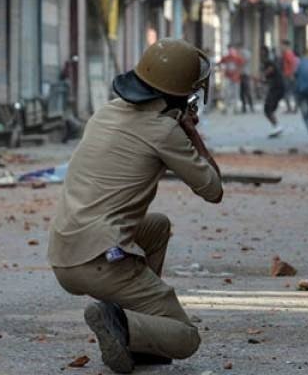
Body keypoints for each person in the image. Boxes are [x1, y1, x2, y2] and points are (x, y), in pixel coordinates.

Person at [48, 39, 223, 374]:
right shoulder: (163, 130)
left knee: (156, 227)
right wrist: (190, 133)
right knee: (186, 337)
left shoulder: (106, 111)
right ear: (182, 93)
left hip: (64, 252)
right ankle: (123, 323)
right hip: (100, 260)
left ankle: (139, 336)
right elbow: (213, 189)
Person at [261, 46, 285, 137]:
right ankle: (276, 126)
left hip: (277, 88)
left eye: (262, 52)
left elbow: (270, 70)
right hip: (275, 88)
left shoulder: (268, 62)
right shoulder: (266, 62)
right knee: (268, 109)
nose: (261, 54)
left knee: (268, 109)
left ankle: (277, 127)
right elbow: (267, 78)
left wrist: (263, 76)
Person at [218, 45, 245, 114]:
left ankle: (236, 108)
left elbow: (242, 65)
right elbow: (220, 63)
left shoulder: (238, 58)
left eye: (232, 50)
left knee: (236, 93)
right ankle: (226, 108)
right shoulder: (226, 57)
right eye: (229, 50)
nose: (230, 52)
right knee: (227, 93)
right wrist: (221, 71)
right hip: (228, 77)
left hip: (236, 78)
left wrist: (238, 74)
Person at [281, 40, 299, 112]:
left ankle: (291, 108)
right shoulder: (288, 53)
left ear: (286, 46)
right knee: (291, 92)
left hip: (288, 75)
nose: (281, 47)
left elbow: (292, 64)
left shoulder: (287, 53)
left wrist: (291, 74)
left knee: (286, 92)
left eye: (282, 46)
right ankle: (293, 108)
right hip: (288, 75)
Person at [239, 48, 254, 114]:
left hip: (245, 75)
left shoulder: (246, 56)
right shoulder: (240, 56)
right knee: (242, 92)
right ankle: (244, 107)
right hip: (241, 75)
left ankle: (251, 106)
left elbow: (244, 62)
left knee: (247, 91)